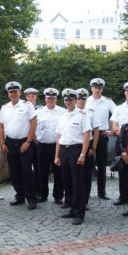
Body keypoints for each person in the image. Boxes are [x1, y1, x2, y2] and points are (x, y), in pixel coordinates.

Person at [0, 81, 37, 210]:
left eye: (15, 91)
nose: (13, 94)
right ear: (8, 94)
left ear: (19, 92)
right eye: (11, 92)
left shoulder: (27, 106)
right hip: (10, 143)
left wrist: (28, 142)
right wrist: (2, 142)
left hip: (24, 142)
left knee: (27, 171)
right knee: (14, 172)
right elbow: (1, 126)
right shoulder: (5, 108)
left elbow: (33, 123)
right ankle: (19, 196)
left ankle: (31, 198)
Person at [54, 88, 91, 225]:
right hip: (64, 150)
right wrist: (57, 156)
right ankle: (71, 208)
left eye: (70, 99)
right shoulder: (62, 116)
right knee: (67, 182)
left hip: (76, 150)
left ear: (75, 100)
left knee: (78, 183)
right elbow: (58, 137)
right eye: (66, 100)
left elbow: (86, 135)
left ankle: (79, 213)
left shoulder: (82, 115)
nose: (68, 102)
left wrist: (83, 154)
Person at [86, 78, 116, 200]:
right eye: (95, 87)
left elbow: (117, 115)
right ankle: (86, 192)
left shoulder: (108, 102)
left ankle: (101, 192)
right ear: (91, 88)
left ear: (102, 89)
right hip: (89, 135)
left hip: (102, 135)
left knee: (102, 164)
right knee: (87, 165)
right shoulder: (86, 101)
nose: (97, 89)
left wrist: (112, 131)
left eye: (99, 87)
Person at [35, 88, 65, 204]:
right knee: (42, 171)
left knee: (59, 172)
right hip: (42, 145)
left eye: (53, 98)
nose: (51, 100)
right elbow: (35, 126)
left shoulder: (62, 111)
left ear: (56, 99)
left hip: (57, 146)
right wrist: (36, 139)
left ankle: (58, 196)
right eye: (49, 98)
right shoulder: (39, 111)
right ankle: (43, 195)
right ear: (45, 99)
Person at [75, 88, 101, 210]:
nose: (81, 101)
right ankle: (71, 199)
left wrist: (93, 148)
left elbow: (96, 131)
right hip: (74, 145)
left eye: (83, 99)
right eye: (79, 98)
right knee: (72, 175)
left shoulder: (91, 112)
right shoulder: (69, 111)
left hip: (87, 144)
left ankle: (84, 200)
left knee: (86, 175)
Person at [24, 87, 40, 199]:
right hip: (27, 141)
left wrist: (37, 137)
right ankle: (28, 191)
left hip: (38, 142)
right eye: (29, 96)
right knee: (27, 168)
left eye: (33, 96)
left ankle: (38, 191)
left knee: (38, 167)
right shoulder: (23, 108)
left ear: (36, 97)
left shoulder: (41, 109)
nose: (31, 98)